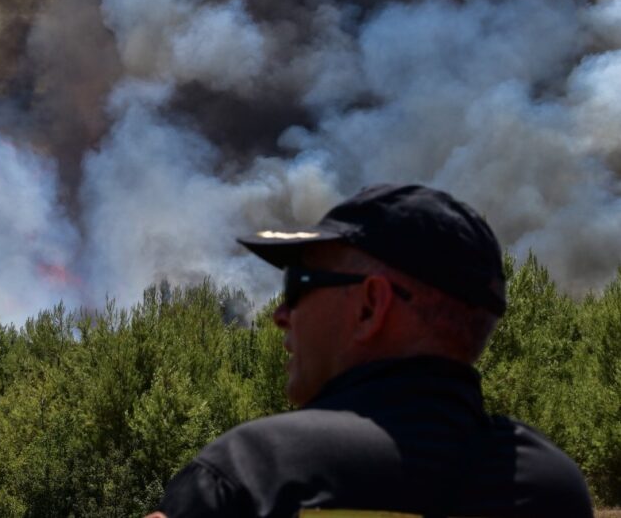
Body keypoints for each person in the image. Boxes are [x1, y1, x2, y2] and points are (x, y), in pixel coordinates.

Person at [149, 184, 593, 517]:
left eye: (298, 285)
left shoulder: (255, 472)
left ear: (370, 306)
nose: (280, 314)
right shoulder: (551, 487)